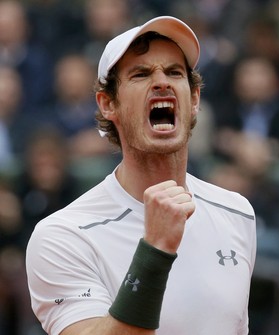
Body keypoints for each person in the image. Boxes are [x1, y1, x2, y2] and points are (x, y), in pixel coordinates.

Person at [26, 16, 256, 335]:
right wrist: (155, 249)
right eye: (141, 74)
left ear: (195, 99)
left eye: (174, 72)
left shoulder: (237, 213)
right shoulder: (62, 235)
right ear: (108, 104)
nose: (162, 82)